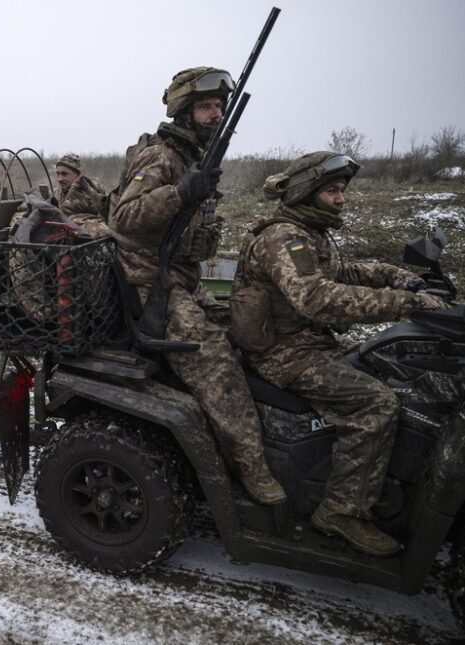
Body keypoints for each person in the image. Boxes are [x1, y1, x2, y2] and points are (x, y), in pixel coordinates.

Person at [230, 151, 447, 556]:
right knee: (376, 406)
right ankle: (340, 511)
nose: (341, 199)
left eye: (342, 191)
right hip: (285, 353)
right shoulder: (285, 238)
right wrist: (404, 303)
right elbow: (315, 299)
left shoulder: (310, 233)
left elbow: (338, 273)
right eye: (333, 191)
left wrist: (395, 275)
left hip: (310, 343)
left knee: (395, 374)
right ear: (307, 193)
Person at [108, 66, 286, 505]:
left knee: (248, 327)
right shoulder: (162, 157)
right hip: (148, 281)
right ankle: (251, 470)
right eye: (206, 106)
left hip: (182, 278)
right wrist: (180, 192)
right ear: (184, 112)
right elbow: (123, 220)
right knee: (215, 360)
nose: (216, 113)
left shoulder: (193, 156)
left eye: (219, 106)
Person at [50, 153, 108, 238]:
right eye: (58, 174)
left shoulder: (90, 191)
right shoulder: (54, 193)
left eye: (64, 174)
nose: (60, 179)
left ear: (77, 175)